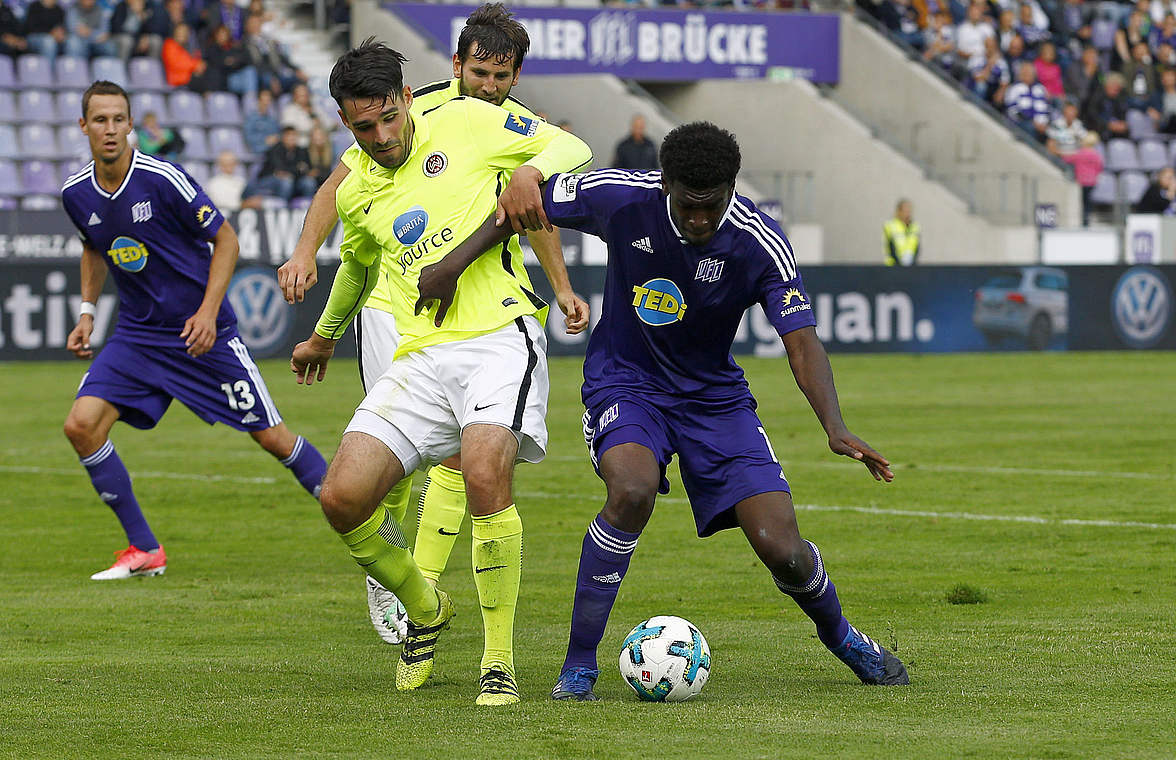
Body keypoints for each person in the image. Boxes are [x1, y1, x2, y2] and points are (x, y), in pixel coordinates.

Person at [514, 123, 906, 700]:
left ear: (731, 190)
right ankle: (578, 665)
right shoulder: (620, 196)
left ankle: (842, 635)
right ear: (665, 183)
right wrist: (513, 189)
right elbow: (520, 204)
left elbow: (800, 340)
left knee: (783, 548)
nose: (700, 220)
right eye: (688, 205)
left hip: (714, 400)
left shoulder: (757, 240)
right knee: (631, 490)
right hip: (626, 381)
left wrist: (834, 425)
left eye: (713, 206)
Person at [277, 3, 589, 650]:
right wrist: (307, 255)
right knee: (385, 469)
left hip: (475, 311)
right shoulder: (418, 108)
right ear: (456, 66)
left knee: (457, 459)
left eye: (502, 76)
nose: (489, 85)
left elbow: (531, 210)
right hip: (393, 306)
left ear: (515, 74)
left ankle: (426, 594)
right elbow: (341, 191)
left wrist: (559, 288)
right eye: (480, 71)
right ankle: (391, 573)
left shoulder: (505, 126)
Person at [59, 81, 328, 580]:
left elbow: (225, 239)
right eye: (100, 120)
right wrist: (88, 311)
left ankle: (359, 512)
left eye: (120, 118)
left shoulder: (163, 179)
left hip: (202, 336)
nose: (111, 129)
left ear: (131, 123)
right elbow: (94, 247)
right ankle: (144, 549)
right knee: (81, 426)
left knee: (273, 439)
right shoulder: (76, 194)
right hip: (138, 336)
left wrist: (207, 313)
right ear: (84, 126)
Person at [1064, 131, 1104, 225]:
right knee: (1088, 201)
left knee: (1083, 201)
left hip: (1082, 181)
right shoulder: (1096, 155)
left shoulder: (1080, 153)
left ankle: (1084, 220)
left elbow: (1067, 160)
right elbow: (1099, 167)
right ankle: (1087, 219)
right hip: (1092, 181)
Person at [204, 149, 246, 215]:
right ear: (220, 164)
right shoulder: (213, 183)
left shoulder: (242, 181)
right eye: (225, 163)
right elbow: (221, 203)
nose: (229, 165)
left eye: (232, 162)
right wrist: (243, 204)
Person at [883, 199, 920, 265]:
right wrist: (899, 263)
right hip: (893, 265)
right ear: (899, 211)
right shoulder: (890, 226)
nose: (907, 213)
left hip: (911, 266)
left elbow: (917, 247)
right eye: (905, 210)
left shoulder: (915, 227)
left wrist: (912, 262)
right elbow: (890, 246)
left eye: (909, 210)